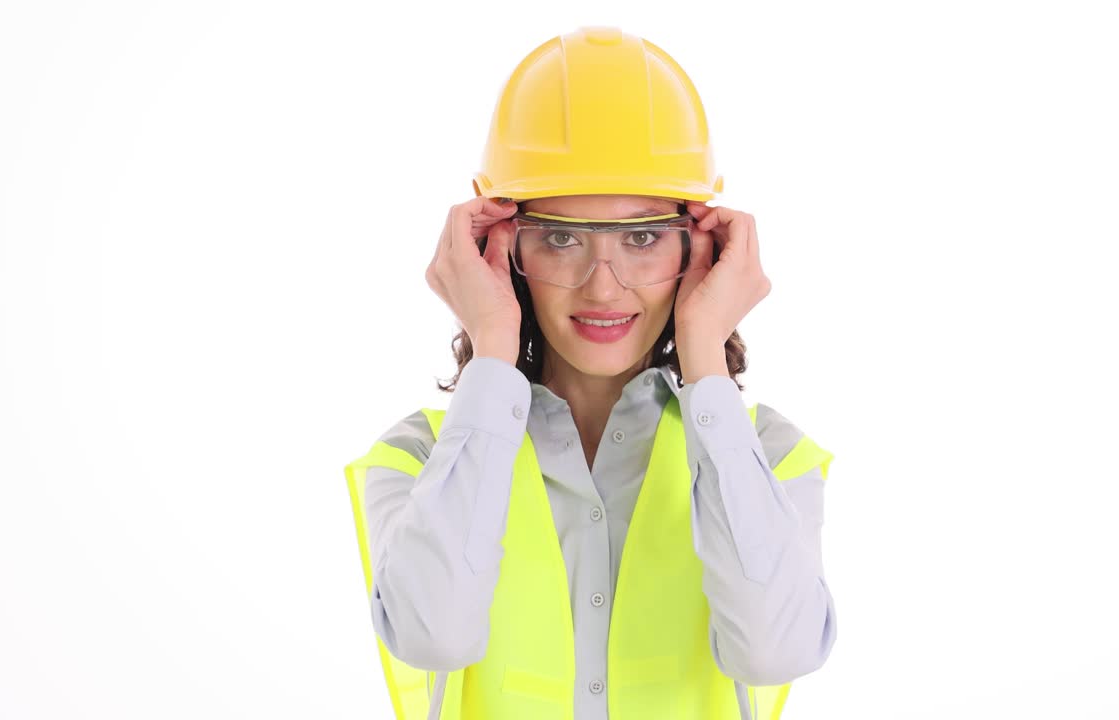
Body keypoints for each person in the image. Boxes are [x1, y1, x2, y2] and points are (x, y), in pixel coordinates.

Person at [344, 26, 836, 720]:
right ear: (501, 248)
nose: (603, 287)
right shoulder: (421, 456)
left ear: (699, 247)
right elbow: (433, 634)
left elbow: (776, 651)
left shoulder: (769, 458)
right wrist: (492, 342)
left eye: (641, 238)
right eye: (561, 237)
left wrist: (706, 352)